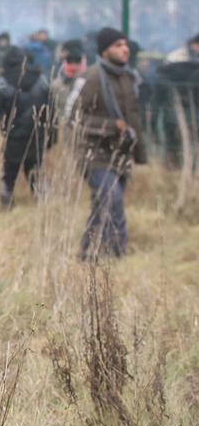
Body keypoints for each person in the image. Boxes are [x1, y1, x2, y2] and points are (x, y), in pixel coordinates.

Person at [67, 28, 147, 260]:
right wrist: (111, 126)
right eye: (117, 45)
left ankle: (86, 254)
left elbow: (134, 119)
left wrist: (140, 154)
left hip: (120, 153)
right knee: (112, 199)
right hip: (93, 154)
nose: (125, 49)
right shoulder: (89, 77)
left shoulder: (130, 78)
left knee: (102, 206)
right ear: (104, 51)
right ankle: (117, 254)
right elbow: (73, 117)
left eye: (125, 44)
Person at [0, 47, 49, 207]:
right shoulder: (41, 80)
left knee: (9, 171)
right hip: (38, 134)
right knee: (36, 168)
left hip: (14, 135)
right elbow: (51, 111)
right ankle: (44, 202)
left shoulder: (2, 83)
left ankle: (7, 203)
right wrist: (51, 137)